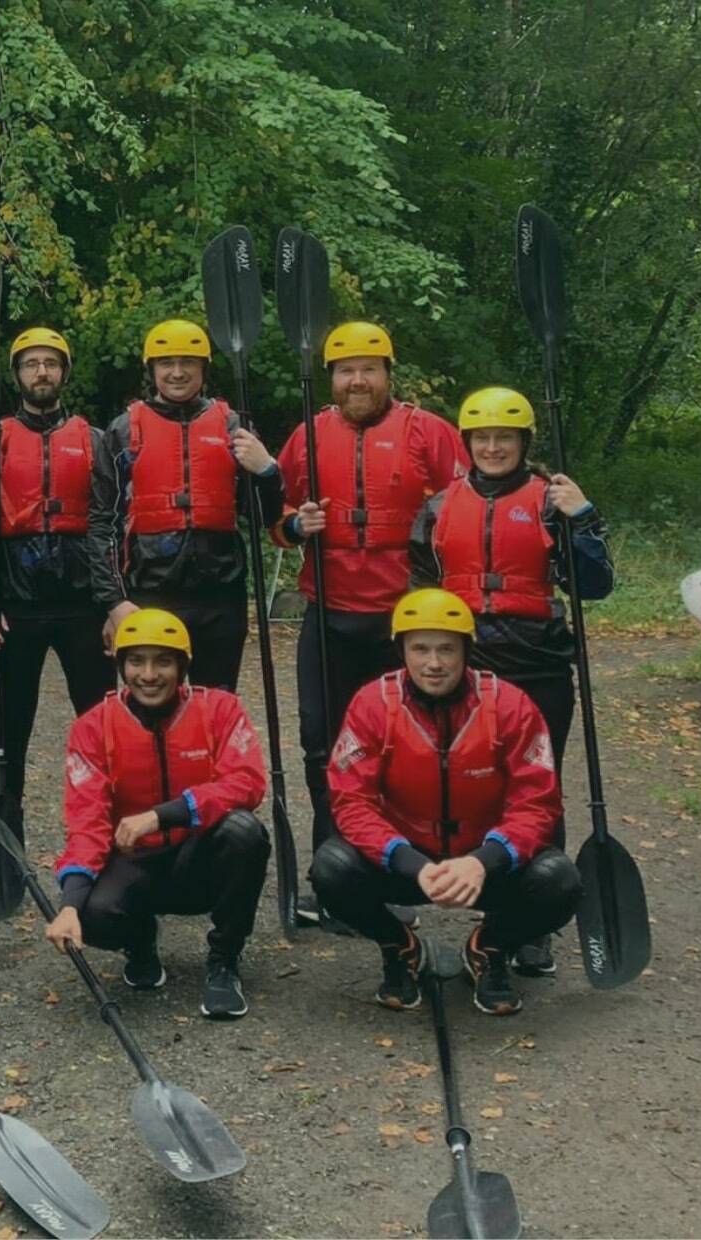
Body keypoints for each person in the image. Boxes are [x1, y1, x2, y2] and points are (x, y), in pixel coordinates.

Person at [409, 386, 615, 975]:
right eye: (482, 437)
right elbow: (421, 593)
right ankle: (468, 880)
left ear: (524, 442)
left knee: (537, 788)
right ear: (468, 443)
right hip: (462, 668)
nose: (493, 447)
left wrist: (583, 518)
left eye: (505, 437)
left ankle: (533, 921)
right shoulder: (438, 507)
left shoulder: (552, 501)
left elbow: (595, 584)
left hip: (538, 663)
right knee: (471, 782)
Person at [273, 320, 469, 927]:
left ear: (388, 373)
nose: (356, 380)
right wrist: (292, 525)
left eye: (368, 368)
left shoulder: (426, 432)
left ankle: (400, 870)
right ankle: (331, 871)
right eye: (344, 370)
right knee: (321, 746)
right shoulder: (307, 436)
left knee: (402, 751)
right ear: (331, 378)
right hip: (328, 615)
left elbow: (465, 507)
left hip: (402, 626)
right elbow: (276, 518)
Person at [307, 589, 582, 1015]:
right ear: (401, 650)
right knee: (330, 868)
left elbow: (538, 803)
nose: (433, 663)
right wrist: (410, 863)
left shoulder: (512, 706)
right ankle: (400, 948)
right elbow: (351, 801)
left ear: (466, 651)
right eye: (420, 649)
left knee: (560, 880)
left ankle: (489, 947)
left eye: (446, 649)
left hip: (483, 864)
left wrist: (483, 861)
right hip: (409, 861)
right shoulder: (371, 705)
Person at [43, 608, 269, 1019]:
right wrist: (70, 904)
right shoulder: (93, 727)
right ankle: (139, 939)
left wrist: (163, 814)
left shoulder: (220, 709)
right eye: (136, 661)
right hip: (135, 864)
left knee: (244, 831)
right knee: (94, 914)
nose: (149, 674)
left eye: (163, 661)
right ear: (120, 665)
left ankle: (224, 960)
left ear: (182, 666)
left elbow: (248, 783)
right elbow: (87, 823)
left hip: (196, 860)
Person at [0, 327, 114, 845]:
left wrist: (113, 602)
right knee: (7, 734)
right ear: (18, 374)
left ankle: (110, 834)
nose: (41, 372)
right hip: (15, 609)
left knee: (103, 726)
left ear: (64, 373)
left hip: (82, 608)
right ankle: (4, 842)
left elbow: (108, 524)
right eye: (31, 364)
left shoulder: (94, 442)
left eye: (51, 363)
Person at [90, 319, 284, 692]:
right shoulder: (123, 431)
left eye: (188, 363)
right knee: (150, 702)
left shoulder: (232, 426)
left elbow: (263, 515)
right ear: (152, 370)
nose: (177, 373)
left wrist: (267, 471)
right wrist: (114, 602)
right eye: (166, 363)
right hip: (149, 590)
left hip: (220, 593)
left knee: (215, 702)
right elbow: (102, 524)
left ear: (203, 369)